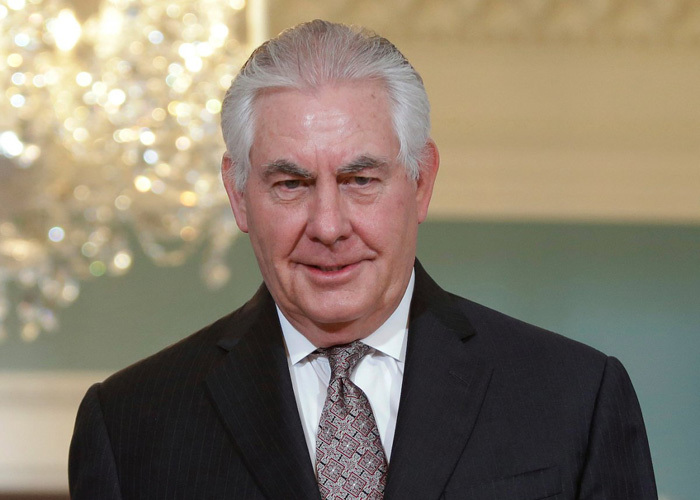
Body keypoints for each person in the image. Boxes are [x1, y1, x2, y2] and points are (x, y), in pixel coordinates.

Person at [69, 20, 657, 499]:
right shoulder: (129, 425)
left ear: (421, 182)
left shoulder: (575, 397)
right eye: (291, 184)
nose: (328, 226)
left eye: (360, 180)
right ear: (239, 194)